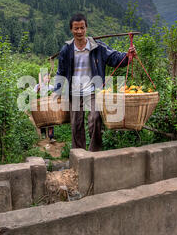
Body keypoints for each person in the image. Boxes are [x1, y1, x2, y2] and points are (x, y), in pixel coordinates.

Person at [53, 13, 137, 152]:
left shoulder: (97, 47)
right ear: (71, 30)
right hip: (74, 92)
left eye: (82, 28)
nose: (79, 31)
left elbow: (114, 57)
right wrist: (56, 91)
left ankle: (94, 154)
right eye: (76, 28)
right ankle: (79, 155)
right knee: (76, 125)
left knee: (95, 119)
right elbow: (60, 72)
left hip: (93, 91)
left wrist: (128, 56)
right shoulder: (66, 50)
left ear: (86, 28)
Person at [34, 72, 56, 142]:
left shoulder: (51, 87)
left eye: (49, 78)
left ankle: (51, 136)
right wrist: (38, 90)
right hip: (41, 106)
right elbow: (33, 94)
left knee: (51, 120)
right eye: (46, 78)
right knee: (42, 119)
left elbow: (55, 94)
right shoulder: (37, 86)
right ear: (43, 78)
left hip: (50, 106)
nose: (48, 79)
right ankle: (43, 134)